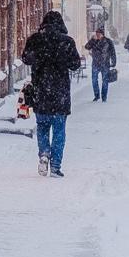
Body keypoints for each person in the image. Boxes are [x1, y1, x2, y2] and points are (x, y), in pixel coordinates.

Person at [21, 10, 82, 178]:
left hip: (41, 92)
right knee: (59, 130)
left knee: (42, 127)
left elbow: (25, 58)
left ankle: (44, 153)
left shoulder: (35, 40)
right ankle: (55, 166)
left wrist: (39, 57)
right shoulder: (67, 42)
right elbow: (75, 64)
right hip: (60, 94)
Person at [86, 27, 117, 103]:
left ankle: (104, 97)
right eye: (96, 34)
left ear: (102, 34)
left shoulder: (108, 41)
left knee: (105, 81)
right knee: (94, 80)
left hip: (105, 64)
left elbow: (113, 52)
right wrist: (92, 40)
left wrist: (113, 62)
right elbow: (87, 47)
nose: (97, 35)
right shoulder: (94, 41)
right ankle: (96, 96)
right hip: (95, 64)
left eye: (99, 34)